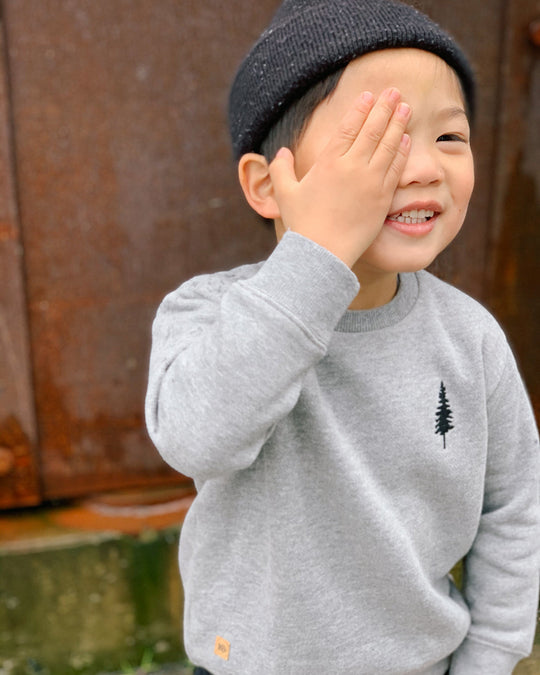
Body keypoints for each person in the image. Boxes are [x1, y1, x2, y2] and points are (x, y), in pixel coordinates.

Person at [145, 1, 540, 673]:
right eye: (377, 142)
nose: (424, 167)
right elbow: (197, 437)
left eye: (449, 137)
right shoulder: (209, 311)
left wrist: (490, 658)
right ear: (268, 185)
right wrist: (319, 253)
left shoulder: (469, 338)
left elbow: (513, 510)